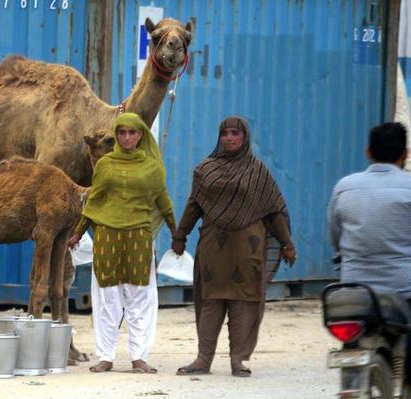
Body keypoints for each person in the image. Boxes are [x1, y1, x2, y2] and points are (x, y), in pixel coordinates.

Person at [173, 116, 296, 377]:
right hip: (213, 250)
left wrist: (286, 243)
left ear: (245, 137)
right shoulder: (205, 169)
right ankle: (202, 360)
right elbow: (194, 204)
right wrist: (180, 235)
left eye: (234, 133)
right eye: (224, 133)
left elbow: (273, 211)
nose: (229, 138)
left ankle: (237, 360)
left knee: (244, 302)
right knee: (211, 302)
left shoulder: (258, 171)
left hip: (247, 249)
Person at [327, 122, 411, 385]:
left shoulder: (344, 186)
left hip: (355, 289)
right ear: (405, 155)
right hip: (409, 290)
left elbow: (336, 237)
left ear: (369, 152)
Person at [68, 112, 176, 374]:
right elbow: (95, 200)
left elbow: (162, 200)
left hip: (138, 235)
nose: (127, 137)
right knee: (106, 297)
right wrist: (79, 231)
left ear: (141, 136)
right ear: (116, 135)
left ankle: (139, 357)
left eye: (133, 132)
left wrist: (177, 231)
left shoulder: (151, 167)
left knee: (141, 297)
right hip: (107, 235)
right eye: (122, 132)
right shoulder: (105, 165)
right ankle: (105, 356)